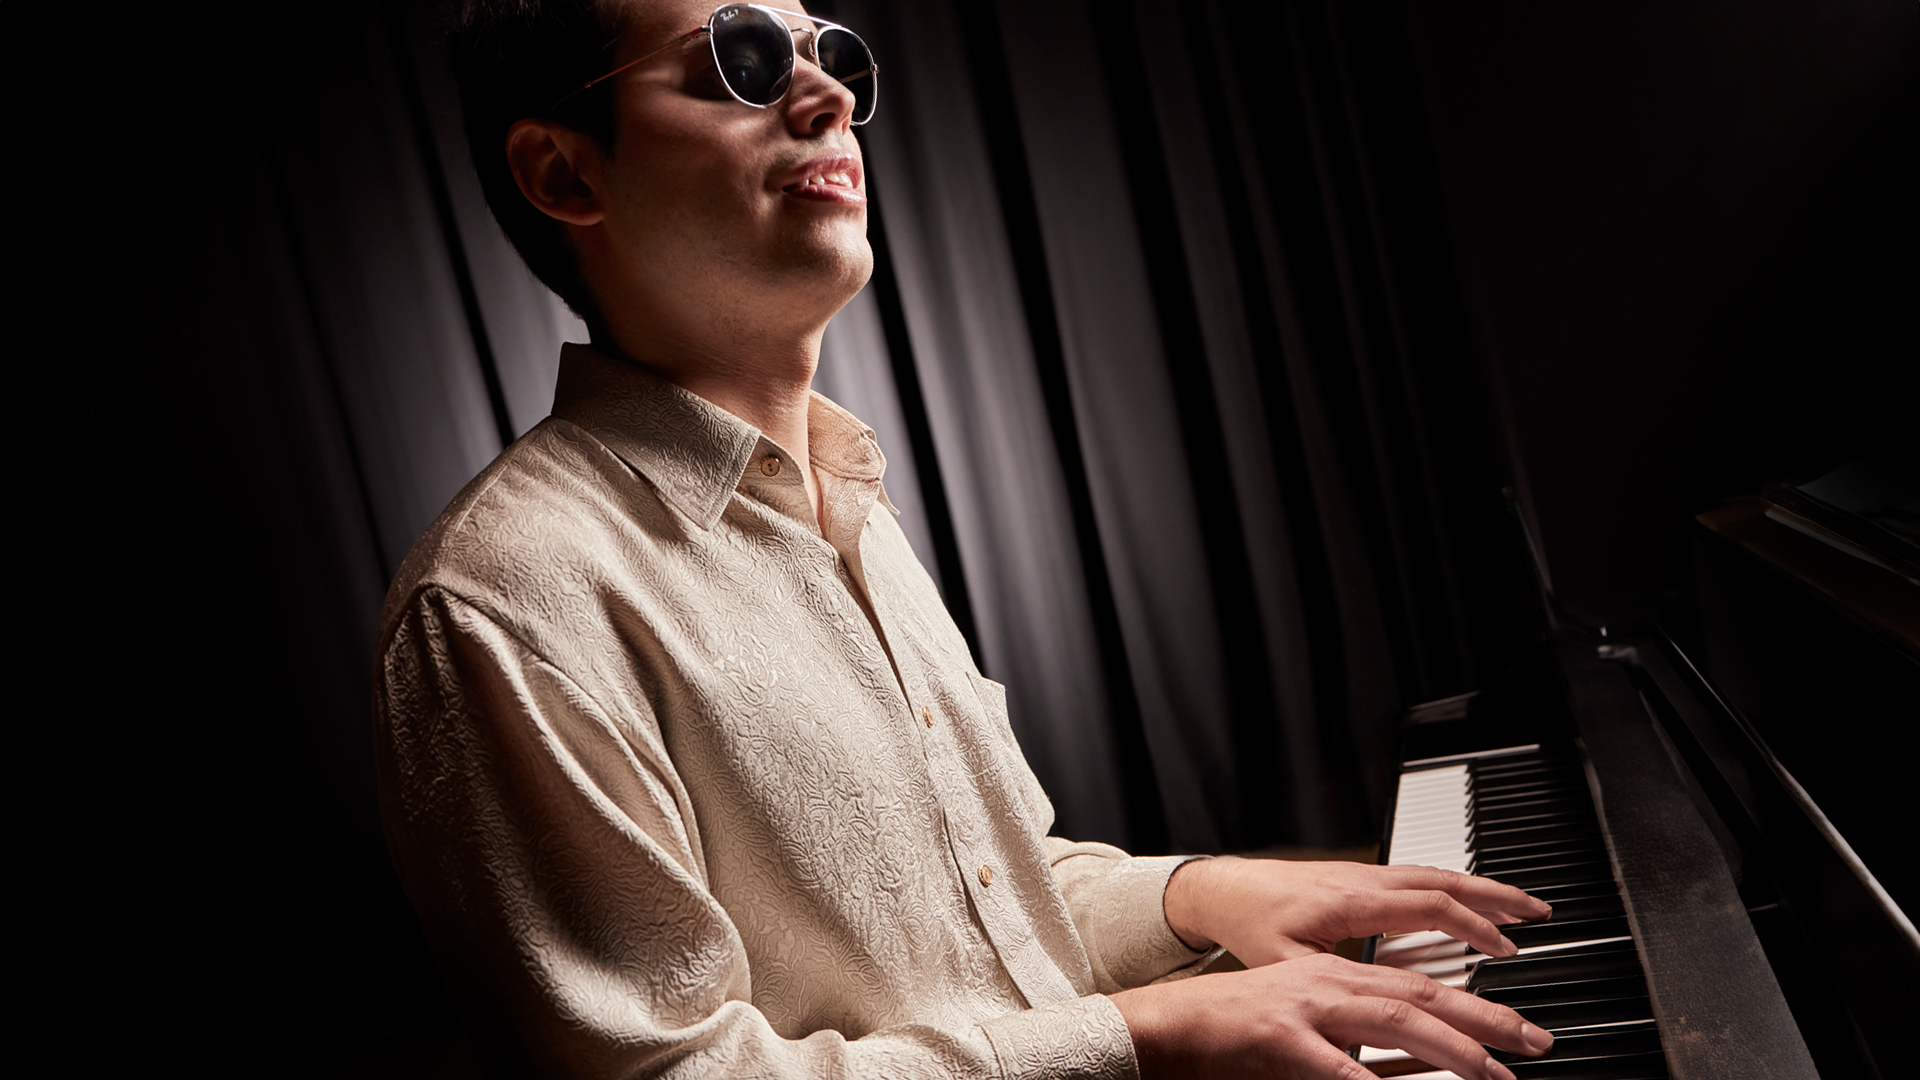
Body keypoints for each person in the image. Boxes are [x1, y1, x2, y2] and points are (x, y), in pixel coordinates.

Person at [374, 2, 1558, 1077]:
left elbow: (990, 913)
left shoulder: (844, 495)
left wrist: (1203, 895)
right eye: (739, 60)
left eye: (832, 52)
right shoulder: (501, 600)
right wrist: (1150, 1029)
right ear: (563, 172)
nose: (830, 93)